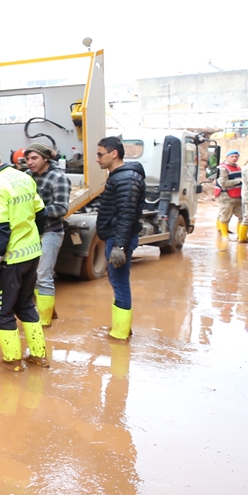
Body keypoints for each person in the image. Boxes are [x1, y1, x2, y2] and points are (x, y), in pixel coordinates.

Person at [0, 144, 48, 368]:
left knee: (2, 313)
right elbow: (41, 213)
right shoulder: (23, 177)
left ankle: (12, 362)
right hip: (31, 254)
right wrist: (33, 238)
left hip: (9, 260)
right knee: (26, 305)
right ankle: (39, 356)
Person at [94, 136, 145, 341]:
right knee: (117, 282)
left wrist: (120, 246)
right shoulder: (120, 176)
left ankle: (120, 333)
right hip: (116, 237)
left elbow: (127, 214)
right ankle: (122, 328)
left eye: (100, 154)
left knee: (120, 283)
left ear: (114, 154)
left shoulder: (126, 179)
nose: (97, 159)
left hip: (118, 238)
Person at [24, 143, 70, 326]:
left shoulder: (58, 178)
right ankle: (48, 312)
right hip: (31, 233)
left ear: (45, 158)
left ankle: (44, 323)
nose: (30, 162)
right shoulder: (27, 176)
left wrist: (36, 211)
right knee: (33, 276)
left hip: (51, 232)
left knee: (43, 276)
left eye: (34, 158)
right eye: (27, 159)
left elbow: (61, 208)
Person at [214, 150, 243, 241]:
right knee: (225, 216)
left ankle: (241, 236)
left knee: (242, 216)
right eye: (232, 156)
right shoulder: (222, 168)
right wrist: (239, 181)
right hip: (225, 195)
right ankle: (224, 236)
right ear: (227, 157)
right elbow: (223, 183)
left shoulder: (238, 167)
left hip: (237, 195)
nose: (234, 158)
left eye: (236, 157)